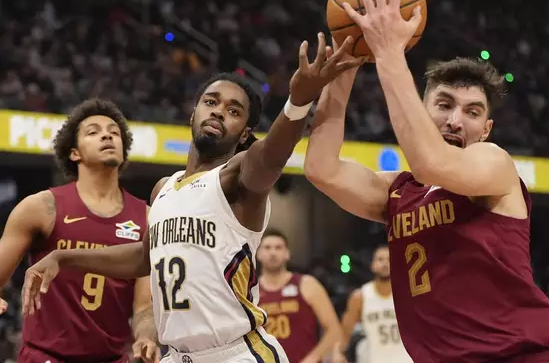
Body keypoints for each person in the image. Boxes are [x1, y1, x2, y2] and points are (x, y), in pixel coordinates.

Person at [22, 33, 364, 363]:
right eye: (211, 102)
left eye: (233, 111)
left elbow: (271, 155)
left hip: (237, 353)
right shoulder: (163, 189)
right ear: (193, 113)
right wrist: (63, 257)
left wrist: (297, 102)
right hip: (178, 355)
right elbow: (144, 258)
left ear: (244, 134)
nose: (218, 112)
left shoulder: (237, 177)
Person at [304, 0, 549, 362]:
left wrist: (389, 52)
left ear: (486, 130)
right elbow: (321, 169)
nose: (456, 120)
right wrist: (348, 63)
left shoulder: (495, 166)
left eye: (472, 112)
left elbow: (431, 162)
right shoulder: (399, 193)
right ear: (422, 110)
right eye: (444, 105)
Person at [0, 98, 159, 363]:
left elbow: (144, 306)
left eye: (114, 132)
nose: (107, 134)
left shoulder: (147, 217)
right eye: (93, 131)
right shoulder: (42, 207)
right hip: (46, 357)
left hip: (110, 358)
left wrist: (145, 337)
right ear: (75, 153)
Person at [257, 230, 342, 363]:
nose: (272, 252)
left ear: (287, 254)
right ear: (258, 254)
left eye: (278, 248)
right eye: (267, 247)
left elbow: (334, 330)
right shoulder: (250, 292)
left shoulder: (306, 284)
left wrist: (313, 358)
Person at [339, 244, 412, 363]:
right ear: (372, 265)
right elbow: (345, 332)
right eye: (380, 259)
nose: (385, 263)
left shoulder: (408, 293)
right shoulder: (360, 296)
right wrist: (338, 352)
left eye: (389, 259)